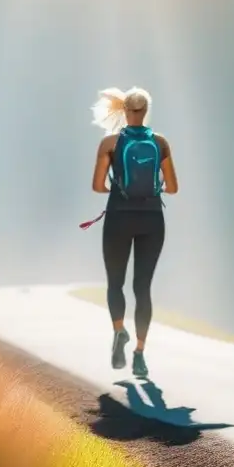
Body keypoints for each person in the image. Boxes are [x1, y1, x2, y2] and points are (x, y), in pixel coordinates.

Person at [88, 87, 178, 379]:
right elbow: (173, 187)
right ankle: (139, 354)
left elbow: (97, 186)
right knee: (143, 287)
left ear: (124, 111)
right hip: (152, 220)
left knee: (116, 283)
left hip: (118, 218)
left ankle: (119, 330)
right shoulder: (161, 143)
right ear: (146, 111)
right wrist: (152, 189)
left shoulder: (110, 143)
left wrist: (118, 186)